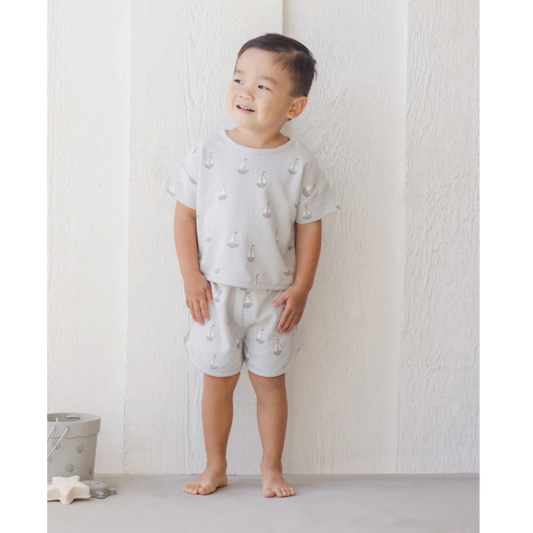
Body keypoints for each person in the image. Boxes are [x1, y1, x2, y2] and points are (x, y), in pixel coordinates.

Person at [164, 33, 341, 498]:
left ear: (294, 107)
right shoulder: (207, 151)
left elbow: (310, 227)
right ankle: (215, 466)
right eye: (239, 79)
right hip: (213, 295)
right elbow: (184, 215)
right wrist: (190, 275)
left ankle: (271, 468)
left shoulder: (300, 162)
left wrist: (302, 287)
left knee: (270, 386)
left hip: (274, 300)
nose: (245, 91)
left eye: (263, 86)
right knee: (217, 385)